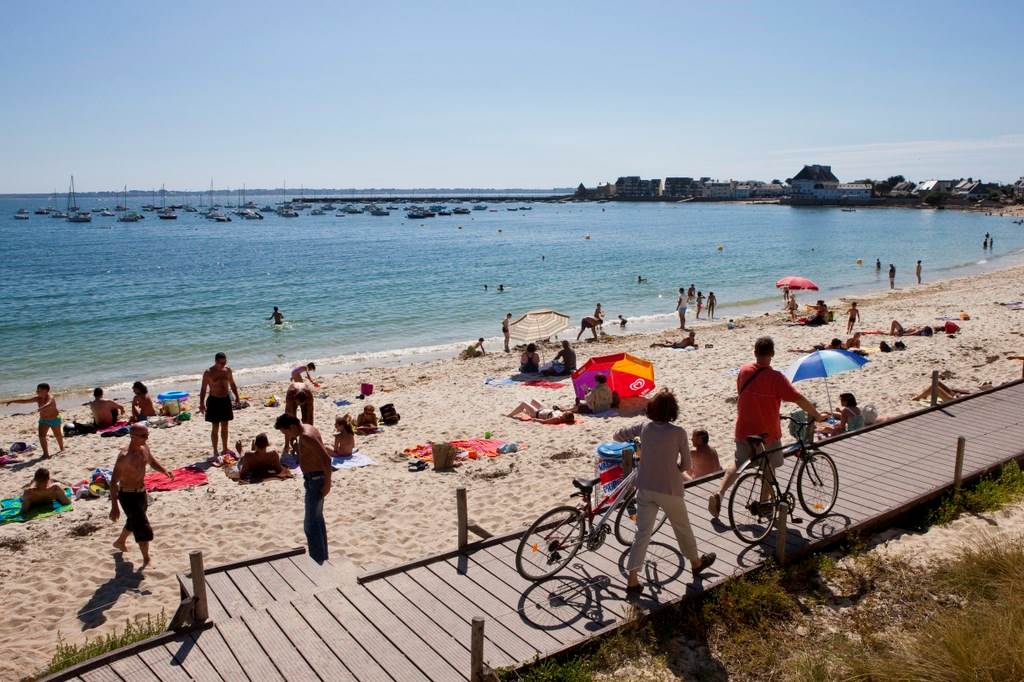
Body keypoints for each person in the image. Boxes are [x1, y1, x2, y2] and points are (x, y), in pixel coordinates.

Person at [708, 337, 825, 518]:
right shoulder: (776, 377)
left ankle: (720, 493)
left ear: (755, 352)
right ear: (772, 354)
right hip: (767, 431)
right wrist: (816, 415)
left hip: (744, 428)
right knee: (769, 467)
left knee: (739, 463)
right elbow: (798, 398)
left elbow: (744, 394)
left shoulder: (744, 371)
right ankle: (764, 504)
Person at [613, 389, 717, 594]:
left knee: (642, 533)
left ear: (652, 409)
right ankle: (696, 564)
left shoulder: (644, 427)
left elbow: (617, 435)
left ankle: (632, 579)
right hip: (669, 488)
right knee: (682, 527)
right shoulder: (678, 432)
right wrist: (672, 469)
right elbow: (686, 465)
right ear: (672, 411)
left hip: (644, 486)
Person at [110, 424, 174, 567]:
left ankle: (120, 541)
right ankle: (146, 559)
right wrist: (114, 506)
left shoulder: (144, 448)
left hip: (141, 492)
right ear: (133, 437)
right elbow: (113, 482)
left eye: (147, 435)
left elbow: (151, 461)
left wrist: (164, 471)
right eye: (143, 436)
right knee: (142, 526)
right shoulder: (124, 457)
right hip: (127, 495)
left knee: (135, 520)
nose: (147, 438)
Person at [274, 414, 332, 563]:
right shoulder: (307, 429)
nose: (286, 436)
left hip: (316, 480)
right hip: (313, 479)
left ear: (292, 427)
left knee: (310, 523)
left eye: (286, 432)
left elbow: (326, 458)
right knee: (317, 519)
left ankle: (316, 559)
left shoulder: (306, 436)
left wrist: (327, 484)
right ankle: (322, 556)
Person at [199, 352, 241, 458]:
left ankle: (225, 448)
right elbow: (203, 388)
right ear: (216, 361)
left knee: (225, 425)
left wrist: (237, 396)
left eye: (225, 362)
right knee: (215, 426)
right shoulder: (208, 372)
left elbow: (232, 383)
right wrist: (201, 403)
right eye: (221, 363)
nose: (223, 364)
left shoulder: (227, 370)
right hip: (214, 400)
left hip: (225, 400)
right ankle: (215, 450)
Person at [6, 383, 64, 458]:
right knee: (41, 436)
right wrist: (13, 401)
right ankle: (45, 453)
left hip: (54, 419)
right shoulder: (38, 398)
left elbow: (48, 404)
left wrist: (40, 408)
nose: (37, 392)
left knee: (57, 435)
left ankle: (62, 448)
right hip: (44, 420)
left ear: (46, 390)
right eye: (37, 390)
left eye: (39, 390)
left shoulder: (50, 397)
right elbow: (25, 401)